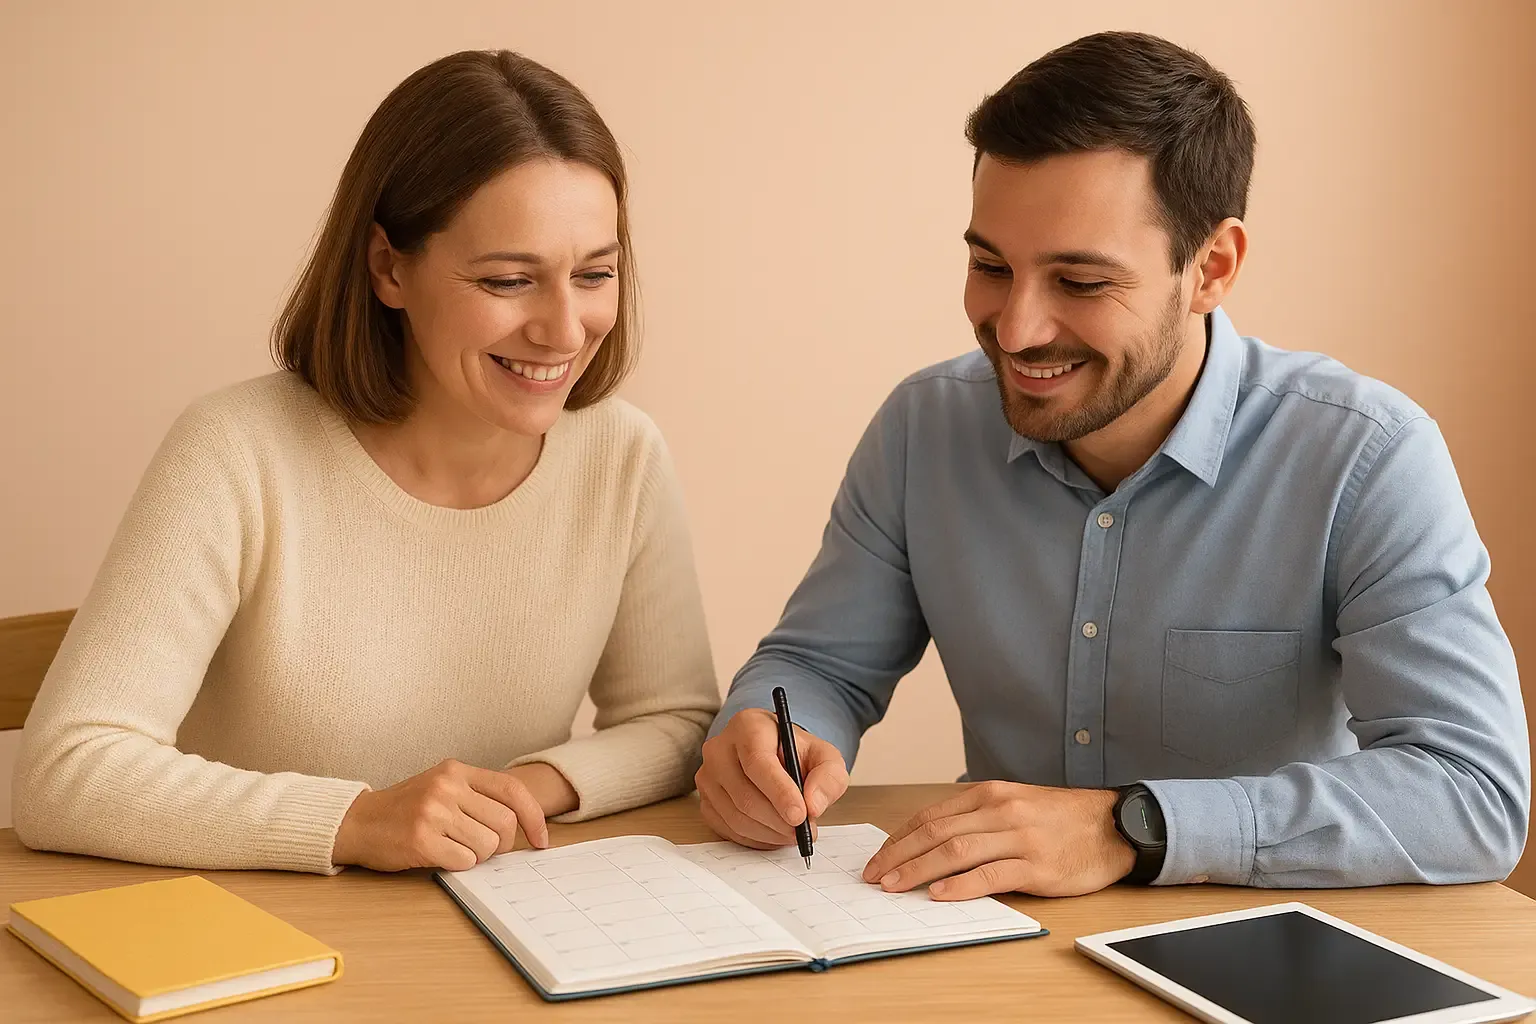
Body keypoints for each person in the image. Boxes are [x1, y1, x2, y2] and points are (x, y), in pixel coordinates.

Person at [696, 30, 1529, 898]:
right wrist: (767, 735)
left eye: (1082, 282)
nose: (1016, 330)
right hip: (993, 930)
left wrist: (1131, 827)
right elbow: (819, 668)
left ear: (1211, 268)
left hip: (1264, 936)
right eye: (990, 265)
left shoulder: (1365, 455)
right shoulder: (923, 427)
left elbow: (1473, 792)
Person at [13, 50, 721, 875]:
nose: (564, 330)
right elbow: (66, 770)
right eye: (507, 281)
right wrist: (355, 820)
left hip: (492, 925)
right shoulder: (237, 450)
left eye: (595, 274)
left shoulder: (622, 455)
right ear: (388, 267)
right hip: (260, 929)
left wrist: (511, 793)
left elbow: (679, 722)